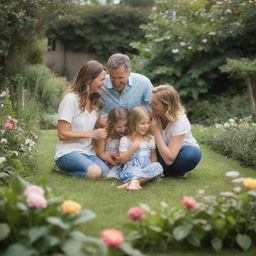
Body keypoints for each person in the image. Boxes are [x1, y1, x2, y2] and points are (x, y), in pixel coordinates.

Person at [54, 60, 110, 178]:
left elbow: (92, 124)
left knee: (105, 172)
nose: (104, 83)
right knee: (94, 172)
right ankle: (61, 169)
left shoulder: (94, 101)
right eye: (102, 79)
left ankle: (70, 172)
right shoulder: (70, 100)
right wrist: (92, 134)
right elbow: (62, 134)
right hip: (68, 152)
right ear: (89, 80)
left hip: (87, 152)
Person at [150, 85, 202, 177]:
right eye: (151, 101)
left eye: (154, 103)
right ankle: (168, 170)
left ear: (167, 106)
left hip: (181, 152)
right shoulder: (153, 114)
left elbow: (169, 158)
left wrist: (156, 132)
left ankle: (164, 169)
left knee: (190, 156)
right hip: (162, 151)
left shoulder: (180, 121)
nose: (150, 104)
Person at [117, 106, 163, 191]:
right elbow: (121, 160)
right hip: (131, 170)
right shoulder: (126, 140)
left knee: (158, 166)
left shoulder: (150, 139)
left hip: (146, 169)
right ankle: (135, 181)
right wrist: (132, 148)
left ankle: (132, 183)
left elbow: (153, 157)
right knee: (135, 170)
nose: (146, 126)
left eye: (148, 123)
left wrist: (151, 169)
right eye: (142, 123)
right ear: (133, 123)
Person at [100, 53, 153, 118]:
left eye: (120, 78)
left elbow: (151, 109)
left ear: (129, 73)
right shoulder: (101, 84)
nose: (116, 82)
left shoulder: (143, 82)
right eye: (112, 77)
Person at [95, 106, 129, 179]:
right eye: (119, 127)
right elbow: (100, 152)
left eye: (126, 126)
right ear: (112, 124)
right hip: (107, 160)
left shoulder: (130, 133)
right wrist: (112, 161)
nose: (123, 129)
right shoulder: (105, 133)